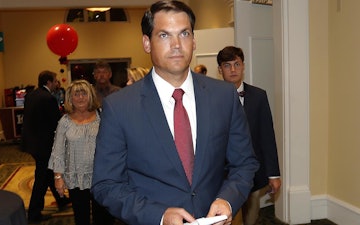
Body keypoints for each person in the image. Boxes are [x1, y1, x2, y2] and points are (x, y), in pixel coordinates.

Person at [91, 1, 259, 225]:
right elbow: (107, 184)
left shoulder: (224, 96)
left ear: (194, 40)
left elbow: (245, 163)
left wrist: (227, 200)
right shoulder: (119, 107)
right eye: (164, 35)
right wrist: (158, 216)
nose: (177, 44)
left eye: (184, 33)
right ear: (146, 43)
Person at [217, 46, 281, 225]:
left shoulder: (259, 96)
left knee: (251, 219)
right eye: (227, 65)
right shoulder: (210, 98)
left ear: (243, 66)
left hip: (252, 173)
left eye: (237, 64)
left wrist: (273, 174)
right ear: (220, 69)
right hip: (222, 176)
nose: (233, 69)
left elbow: (267, 136)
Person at [48, 79, 111, 225]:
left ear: (90, 96)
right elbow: (58, 151)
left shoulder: (102, 117)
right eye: (76, 94)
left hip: (101, 177)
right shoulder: (64, 121)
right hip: (76, 177)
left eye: (84, 93)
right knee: (81, 217)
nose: (81, 97)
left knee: (103, 217)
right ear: (70, 98)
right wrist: (58, 177)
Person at [22, 70, 70, 223]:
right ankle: (34, 214)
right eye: (55, 80)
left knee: (48, 174)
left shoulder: (31, 95)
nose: (57, 83)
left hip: (32, 142)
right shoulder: (48, 98)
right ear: (49, 82)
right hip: (44, 145)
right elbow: (56, 121)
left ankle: (61, 200)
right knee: (41, 179)